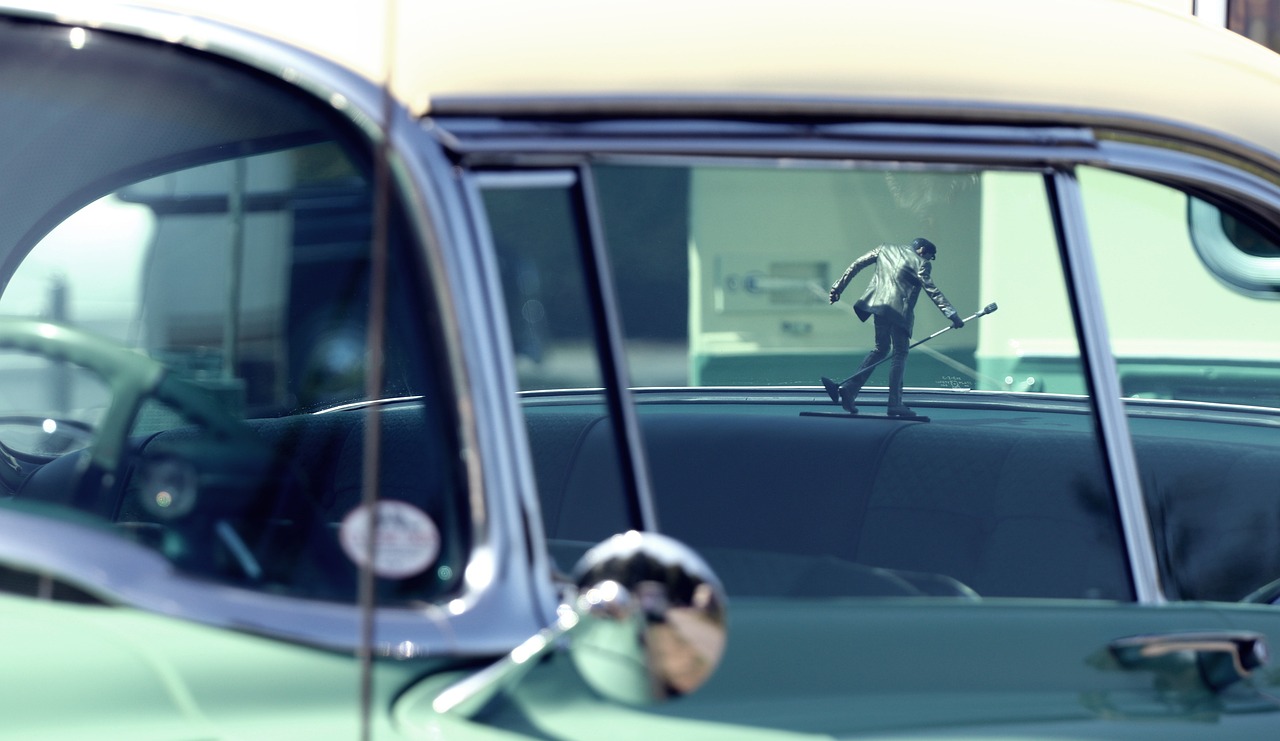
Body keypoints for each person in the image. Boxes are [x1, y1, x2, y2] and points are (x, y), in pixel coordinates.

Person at [821, 237, 963, 418]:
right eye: (929, 256)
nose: (928, 260)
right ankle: (894, 403)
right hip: (899, 313)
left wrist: (837, 288)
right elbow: (932, 290)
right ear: (922, 250)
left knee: (880, 349)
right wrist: (952, 315)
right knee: (900, 353)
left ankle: (849, 388)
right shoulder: (921, 263)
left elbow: (857, 264)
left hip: (878, 307)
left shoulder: (884, 249)